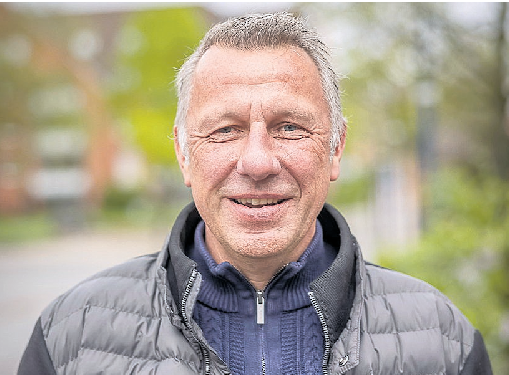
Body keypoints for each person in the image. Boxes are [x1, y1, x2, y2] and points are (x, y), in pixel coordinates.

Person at [18, 12, 492, 375]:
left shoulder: (443, 340)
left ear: (334, 148)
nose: (258, 163)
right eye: (225, 130)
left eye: (289, 127)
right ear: (184, 153)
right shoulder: (70, 337)